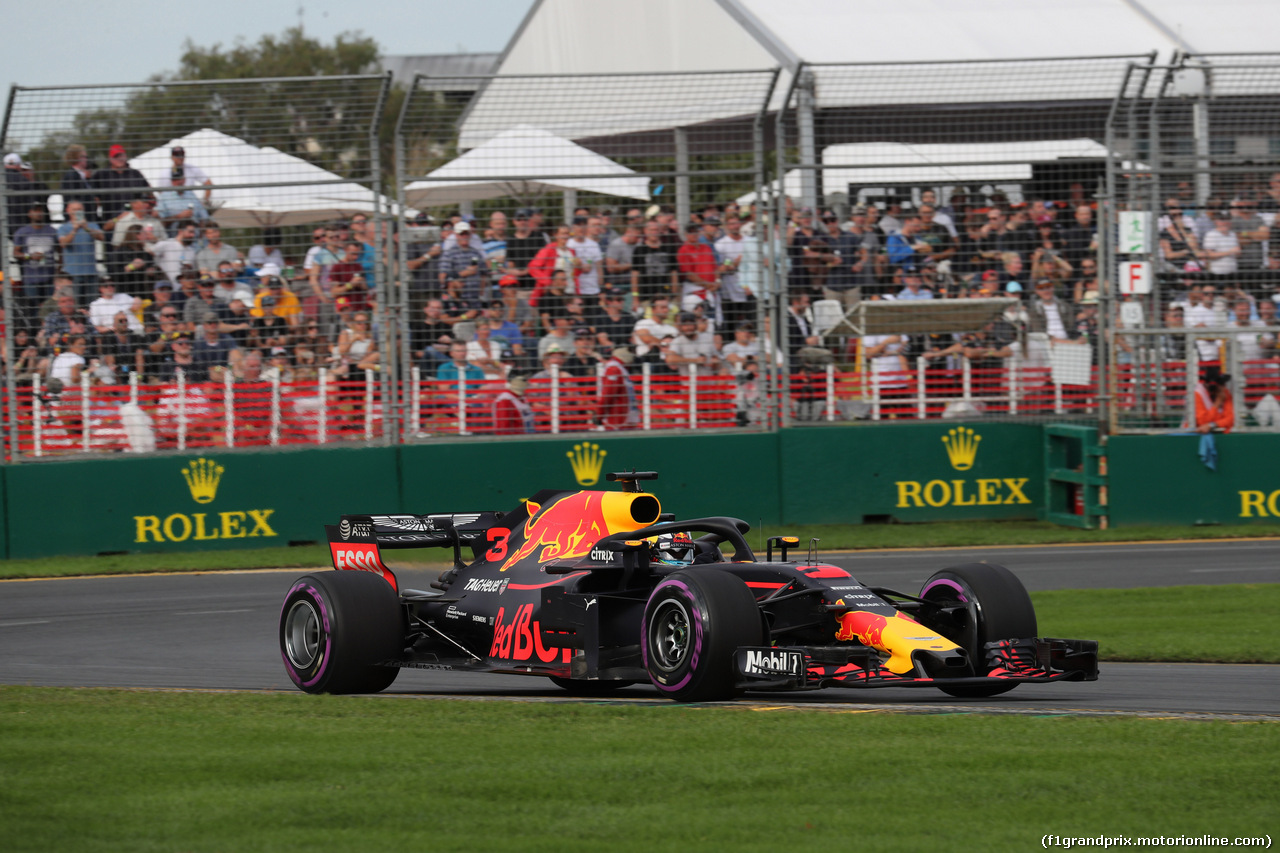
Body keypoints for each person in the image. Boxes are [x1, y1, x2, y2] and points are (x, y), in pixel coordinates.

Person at [13, 202, 60, 306]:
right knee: (32, 308)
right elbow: (15, 253)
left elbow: (60, 252)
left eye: (40, 210)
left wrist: (59, 271)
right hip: (31, 278)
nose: (39, 213)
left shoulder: (52, 231)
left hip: (49, 278)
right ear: (29, 214)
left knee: (50, 307)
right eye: (36, 210)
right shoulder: (22, 232)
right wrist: (30, 256)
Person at [57, 201, 105, 297]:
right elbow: (63, 244)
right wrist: (74, 229)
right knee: (74, 302)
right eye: (74, 209)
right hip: (72, 274)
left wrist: (86, 228)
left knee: (92, 303)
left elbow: (101, 237)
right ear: (68, 211)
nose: (77, 212)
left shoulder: (91, 225)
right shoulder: (63, 227)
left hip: (91, 272)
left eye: (80, 209)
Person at [155, 146, 212, 227]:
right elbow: (161, 194)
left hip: (190, 201)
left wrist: (205, 201)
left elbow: (208, 183)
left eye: (181, 155)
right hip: (172, 205)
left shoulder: (192, 169)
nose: (180, 158)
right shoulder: (165, 174)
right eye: (177, 155)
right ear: (172, 157)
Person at [597, 347, 638, 429]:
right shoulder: (620, 369)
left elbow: (607, 395)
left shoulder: (613, 369)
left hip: (617, 421)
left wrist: (599, 415)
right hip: (626, 418)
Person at [1191, 365, 1234, 433]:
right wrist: (1217, 404)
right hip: (1192, 435)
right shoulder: (1197, 394)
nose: (1224, 387)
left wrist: (1213, 425)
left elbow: (1230, 419)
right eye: (1221, 384)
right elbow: (1202, 423)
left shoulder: (1225, 392)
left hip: (1216, 433)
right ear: (1212, 387)